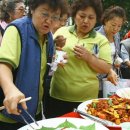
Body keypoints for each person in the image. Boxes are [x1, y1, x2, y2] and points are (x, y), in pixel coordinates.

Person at [0, 0, 67, 129]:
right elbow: (3, 63)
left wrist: (56, 60)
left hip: (34, 111)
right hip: (10, 112)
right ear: (32, 9)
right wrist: (10, 89)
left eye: (54, 17)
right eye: (44, 14)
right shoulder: (17, 29)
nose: (49, 21)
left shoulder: (48, 38)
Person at [44, 0, 112, 118]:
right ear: (74, 15)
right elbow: (48, 56)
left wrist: (89, 57)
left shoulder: (101, 40)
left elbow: (106, 68)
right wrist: (55, 52)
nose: (86, 21)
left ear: (96, 20)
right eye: (82, 16)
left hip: (86, 99)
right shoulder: (61, 31)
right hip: (58, 95)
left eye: (91, 17)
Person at [97, 6, 130, 85]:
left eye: (119, 26)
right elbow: (95, 60)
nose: (116, 29)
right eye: (113, 25)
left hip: (113, 78)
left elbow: (116, 53)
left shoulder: (116, 35)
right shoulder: (97, 37)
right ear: (105, 21)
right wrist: (108, 71)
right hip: (99, 79)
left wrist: (117, 60)